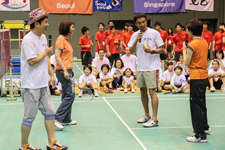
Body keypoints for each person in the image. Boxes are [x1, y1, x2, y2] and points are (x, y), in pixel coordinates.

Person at [20, 8, 68, 150]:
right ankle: (23, 146)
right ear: (37, 24)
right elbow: (32, 61)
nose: (47, 25)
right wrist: (46, 52)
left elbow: (45, 57)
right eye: (45, 22)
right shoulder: (28, 40)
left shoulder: (42, 37)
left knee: (50, 112)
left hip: (42, 84)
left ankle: (51, 142)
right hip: (31, 86)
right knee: (29, 117)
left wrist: (51, 74)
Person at [128, 13, 164, 127]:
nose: (142, 24)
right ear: (135, 24)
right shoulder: (135, 35)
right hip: (141, 67)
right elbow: (131, 50)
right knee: (142, 91)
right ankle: (147, 115)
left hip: (152, 67)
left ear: (146, 21)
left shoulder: (154, 33)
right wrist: (136, 40)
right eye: (139, 23)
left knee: (152, 92)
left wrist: (152, 51)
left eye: (144, 21)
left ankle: (155, 119)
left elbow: (162, 49)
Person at [183, 18, 210, 143]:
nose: (187, 31)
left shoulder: (192, 44)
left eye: (187, 29)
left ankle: (199, 135)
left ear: (191, 31)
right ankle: (204, 127)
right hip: (204, 76)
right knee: (201, 104)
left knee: (196, 106)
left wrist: (184, 50)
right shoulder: (204, 42)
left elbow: (186, 62)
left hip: (196, 77)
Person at [55, 19, 77, 131]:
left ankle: (66, 119)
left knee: (66, 94)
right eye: (72, 26)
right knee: (70, 95)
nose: (73, 28)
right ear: (66, 27)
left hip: (67, 69)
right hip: (63, 70)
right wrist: (65, 70)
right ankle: (57, 118)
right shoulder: (60, 40)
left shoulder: (66, 40)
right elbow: (57, 56)